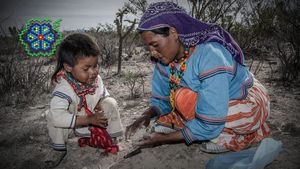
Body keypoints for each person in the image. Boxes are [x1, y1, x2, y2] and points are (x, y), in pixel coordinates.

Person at [125, 2, 271, 153]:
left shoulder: (210, 55)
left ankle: (240, 138)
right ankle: (192, 125)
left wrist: (162, 139)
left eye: (155, 45)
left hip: (246, 99)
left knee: (190, 106)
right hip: (212, 101)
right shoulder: (164, 61)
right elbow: (162, 100)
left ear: (174, 33)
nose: (152, 52)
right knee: (180, 99)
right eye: (148, 47)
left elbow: (211, 120)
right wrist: (146, 115)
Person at [45, 33, 123, 167]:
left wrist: (99, 103)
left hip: (91, 117)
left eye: (95, 66)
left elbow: (103, 93)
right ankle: (58, 149)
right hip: (73, 118)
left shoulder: (95, 79)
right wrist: (88, 120)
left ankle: (111, 138)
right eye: (86, 68)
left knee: (110, 102)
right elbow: (57, 116)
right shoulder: (64, 87)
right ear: (68, 67)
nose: (93, 72)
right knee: (53, 117)